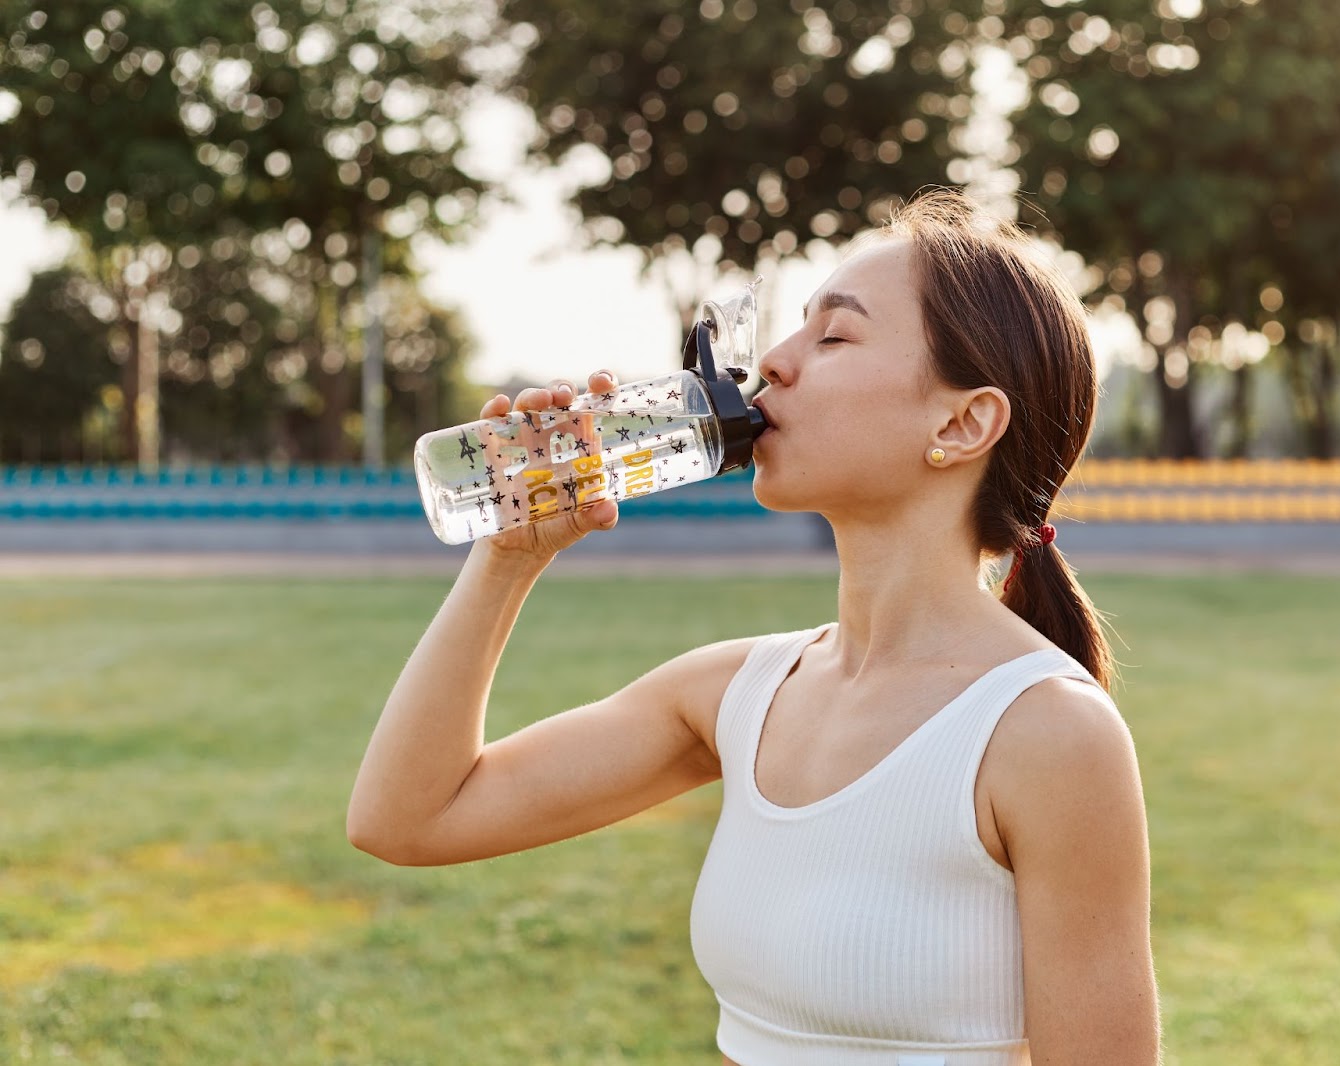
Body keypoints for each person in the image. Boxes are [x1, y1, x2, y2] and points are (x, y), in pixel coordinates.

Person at [348, 189, 1160, 1066]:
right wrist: (507, 558)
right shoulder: (734, 694)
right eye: (792, 330)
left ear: (962, 423)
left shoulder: (1048, 736)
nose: (773, 362)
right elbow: (409, 819)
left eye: (834, 336)